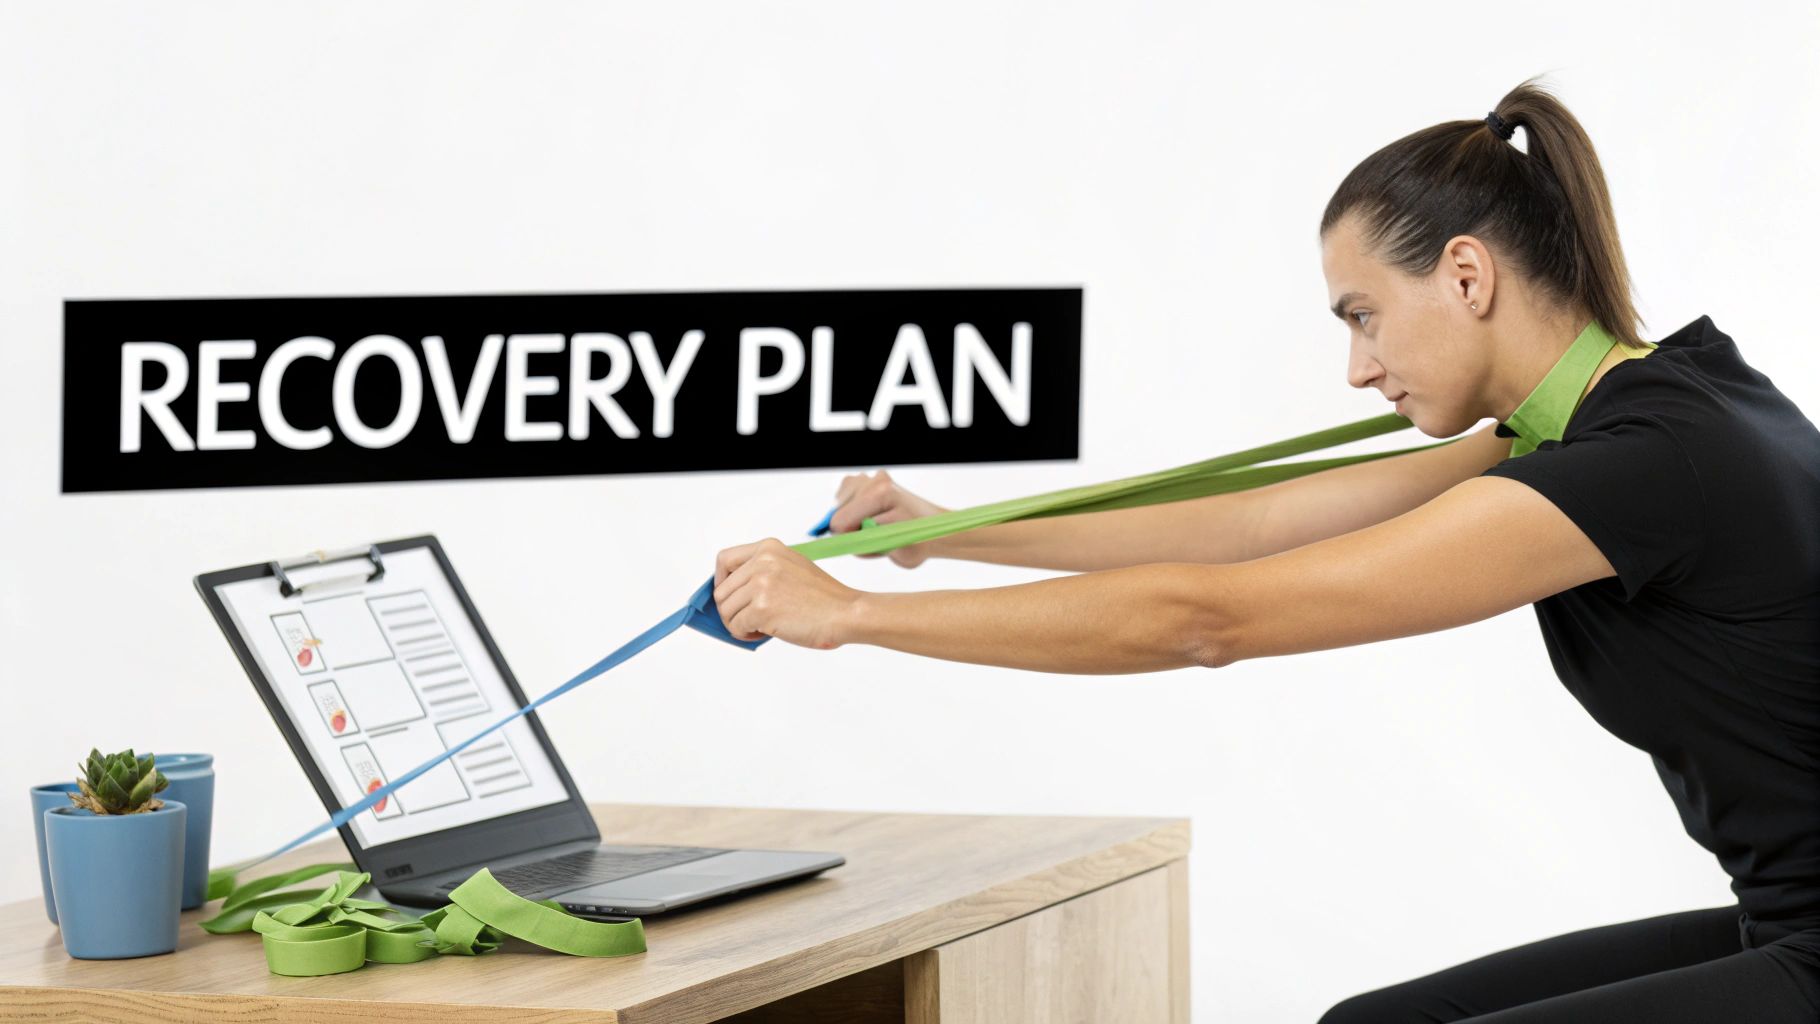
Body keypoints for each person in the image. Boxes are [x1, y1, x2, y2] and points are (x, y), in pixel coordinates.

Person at [711, 77, 1820, 1021]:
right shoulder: (1642, 409)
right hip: (1783, 921)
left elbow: (1206, 618)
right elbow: (1255, 524)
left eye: (1362, 315)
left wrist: (850, 617)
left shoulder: (1630, 467)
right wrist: (941, 535)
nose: (1355, 367)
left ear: (1466, 276)